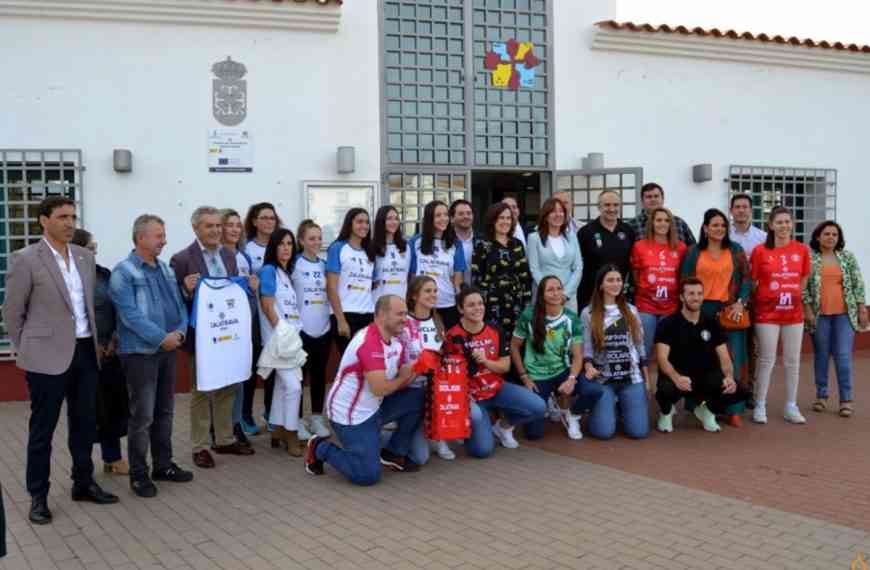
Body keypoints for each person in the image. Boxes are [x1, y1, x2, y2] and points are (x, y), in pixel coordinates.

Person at [3, 196, 119, 524]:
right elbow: (12, 311)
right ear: (44, 221)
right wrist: (27, 348)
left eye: (73, 217)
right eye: (62, 217)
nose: (69, 223)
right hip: (45, 357)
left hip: (85, 352)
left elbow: (88, 305)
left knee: (84, 423)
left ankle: (83, 483)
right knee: (43, 428)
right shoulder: (26, 259)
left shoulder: (84, 256)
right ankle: (38, 496)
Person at [110, 215, 194, 497]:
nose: (164, 241)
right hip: (140, 353)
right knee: (142, 415)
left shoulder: (166, 269)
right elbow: (130, 316)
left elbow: (179, 305)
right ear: (141, 238)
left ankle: (163, 465)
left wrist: (180, 332)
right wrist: (162, 338)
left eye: (163, 235)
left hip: (168, 349)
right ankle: (139, 474)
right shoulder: (123, 272)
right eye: (159, 236)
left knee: (165, 411)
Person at [304, 295, 424, 485]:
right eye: (400, 314)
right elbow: (380, 388)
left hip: (374, 408)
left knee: (419, 396)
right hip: (350, 417)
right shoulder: (369, 342)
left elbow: (401, 380)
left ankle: (393, 452)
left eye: (405, 314)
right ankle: (319, 447)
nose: (405, 319)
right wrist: (404, 377)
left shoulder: (396, 340)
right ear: (382, 315)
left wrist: (421, 368)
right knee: (367, 475)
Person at [170, 206, 255, 469]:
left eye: (218, 225)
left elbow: (233, 293)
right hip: (201, 337)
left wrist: (250, 288)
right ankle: (200, 446)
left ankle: (224, 439)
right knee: (201, 390)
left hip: (228, 332)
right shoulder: (181, 259)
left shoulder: (230, 255)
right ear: (196, 228)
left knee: (228, 386)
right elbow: (173, 299)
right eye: (209, 226)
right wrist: (184, 289)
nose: (216, 230)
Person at [443, 287, 546, 457]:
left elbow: (505, 366)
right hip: (471, 397)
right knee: (482, 451)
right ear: (461, 309)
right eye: (471, 305)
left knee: (539, 407)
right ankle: (469, 428)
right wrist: (461, 395)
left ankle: (503, 427)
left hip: (496, 389)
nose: (477, 308)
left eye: (480, 303)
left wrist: (485, 361)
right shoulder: (452, 336)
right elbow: (447, 375)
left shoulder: (495, 330)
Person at [680, 209, 752, 426]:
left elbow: (747, 279)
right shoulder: (693, 252)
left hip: (729, 311)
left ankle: (734, 409)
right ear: (705, 228)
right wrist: (687, 308)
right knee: (700, 359)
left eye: (722, 225)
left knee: (733, 358)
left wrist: (740, 302)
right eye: (715, 225)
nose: (719, 229)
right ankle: (700, 405)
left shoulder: (735, 250)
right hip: (700, 310)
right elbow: (685, 281)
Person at [512, 276, 603, 441]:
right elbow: (514, 347)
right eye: (550, 290)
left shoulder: (571, 318)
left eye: (559, 288)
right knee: (534, 434)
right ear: (541, 295)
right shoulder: (529, 315)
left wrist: (571, 379)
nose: (556, 293)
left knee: (594, 390)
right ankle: (546, 401)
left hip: (562, 370)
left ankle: (572, 414)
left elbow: (578, 355)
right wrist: (524, 377)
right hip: (537, 375)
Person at [71, 229, 129, 476]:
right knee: (84, 412)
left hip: (110, 352)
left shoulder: (104, 274)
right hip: (82, 353)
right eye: (89, 248)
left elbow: (117, 307)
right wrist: (90, 343)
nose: (94, 252)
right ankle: (81, 467)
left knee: (112, 407)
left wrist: (115, 337)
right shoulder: (68, 278)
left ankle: (112, 458)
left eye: (94, 248)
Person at [654, 278, 747, 433]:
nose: (696, 298)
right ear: (682, 297)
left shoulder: (712, 323)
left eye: (699, 293)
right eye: (691, 294)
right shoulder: (667, 323)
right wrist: (676, 378)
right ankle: (666, 412)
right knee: (665, 389)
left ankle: (706, 411)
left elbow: (724, 357)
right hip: (677, 376)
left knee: (739, 390)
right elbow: (662, 359)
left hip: (704, 376)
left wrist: (729, 377)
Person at [750, 206, 811, 425]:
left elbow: (803, 279)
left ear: (792, 224)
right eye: (779, 222)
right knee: (767, 359)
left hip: (793, 314)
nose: (784, 226)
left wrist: (792, 294)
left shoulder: (802, 250)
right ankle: (760, 404)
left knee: (792, 361)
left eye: (787, 221)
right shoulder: (760, 251)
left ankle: (791, 406)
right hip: (767, 314)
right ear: (771, 225)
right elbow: (753, 281)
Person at [803, 221, 868, 418]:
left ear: (838, 238)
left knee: (843, 356)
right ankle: (821, 396)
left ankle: (846, 400)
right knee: (821, 356)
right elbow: (802, 287)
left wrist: (862, 308)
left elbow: (858, 283)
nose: (831, 237)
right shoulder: (810, 258)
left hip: (844, 315)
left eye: (834, 234)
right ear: (818, 237)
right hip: (819, 315)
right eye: (826, 234)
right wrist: (807, 309)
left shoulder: (847, 257)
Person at [580, 265, 650, 440]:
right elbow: (586, 347)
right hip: (603, 379)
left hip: (631, 378)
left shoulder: (631, 310)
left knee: (638, 432)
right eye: (610, 280)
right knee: (603, 433)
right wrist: (588, 365)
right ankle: (603, 409)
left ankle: (621, 408)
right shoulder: (588, 313)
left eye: (618, 280)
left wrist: (646, 378)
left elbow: (639, 345)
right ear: (601, 285)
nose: (616, 284)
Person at [258, 228, 307, 456]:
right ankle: (291, 434)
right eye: (281, 244)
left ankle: (277, 430)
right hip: (279, 339)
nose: (286, 248)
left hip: (290, 337)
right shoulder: (269, 270)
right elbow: (267, 305)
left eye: (289, 243)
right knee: (294, 386)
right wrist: (281, 330)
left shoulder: (285, 273)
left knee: (281, 386)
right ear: (273, 247)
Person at [399, 276, 454, 464]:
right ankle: (395, 432)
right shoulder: (404, 322)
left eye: (435, 291)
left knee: (472, 412)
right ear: (414, 296)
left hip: (435, 388)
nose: (433, 295)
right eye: (428, 291)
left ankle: (440, 435)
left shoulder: (437, 320)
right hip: (410, 388)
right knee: (420, 458)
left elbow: (443, 354)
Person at [221, 209, 260, 442]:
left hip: (246, 323)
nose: (235, 229)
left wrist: (253, 288)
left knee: (242, 374)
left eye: (238, 225)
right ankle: (222, 427)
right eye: (230, 224)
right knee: (225, 379)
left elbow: (249, 291)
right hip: (225, 326)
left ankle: (236, 423)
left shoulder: (244, 256)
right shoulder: (216, 256)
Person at [292, 220, 333, 438]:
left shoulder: (324, 265)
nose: (316, 242)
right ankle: (297, 420)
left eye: (319, 238)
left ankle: (317, 418)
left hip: (323, 328)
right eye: (311, 238)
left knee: (319, 375)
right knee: (299, 377)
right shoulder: (294, 265)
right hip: (301, 330)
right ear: (301, 241)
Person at [630, 207, 687, 365]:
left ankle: (667, 380)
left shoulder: (680, 247)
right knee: (645, 348)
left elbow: (683, 275)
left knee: (668, 351)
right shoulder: (639, 246)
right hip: (646, 305)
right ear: (652, 223)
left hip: (671, 306)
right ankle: (644, 379)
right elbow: (635, 273)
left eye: (667, 220)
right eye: (659, 220)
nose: (663, 223)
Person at [472, 202, 531, 339]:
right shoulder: (482, 244)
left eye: (508, 218)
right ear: (493, 220)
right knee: (494, 341)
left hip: (516, 303)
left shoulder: (517, 244)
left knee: (516, 342)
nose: (505, 221)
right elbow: (477, 278)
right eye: (501, 218)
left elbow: (524, 276)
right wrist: (480, 304)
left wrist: (527, 303)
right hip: (491, 304)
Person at [409, 201, 467, 330]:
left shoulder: (455, 244)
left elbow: (458, 280)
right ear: (430, 219)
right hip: (422, 305)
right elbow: (412, 276)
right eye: (438, 215)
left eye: (445, 215)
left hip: (447, 304)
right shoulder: (415, 241)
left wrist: (461, 304)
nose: (443, 219)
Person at [326, 208, 375, 355]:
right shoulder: (338, 247)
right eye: (359, 222)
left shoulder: (369, 251)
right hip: (346, 314)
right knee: (350, 362)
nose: (364, 226)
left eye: (366, 222)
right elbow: (331, 287)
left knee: (367, 362)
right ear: (350, 224)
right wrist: (341, 320)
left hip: (368, 314)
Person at [577, 190, 636, 311]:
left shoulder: (628, 231)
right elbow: (577, 264)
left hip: (618, 294)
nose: (612, 209)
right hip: (591, 294)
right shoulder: (586, 232)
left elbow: (633, 262)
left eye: (615, 205)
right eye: (607, 205)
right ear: (599, 207)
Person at [526, 197, 583, 312]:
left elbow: (578, 267)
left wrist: (565, 293)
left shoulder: (571, 237)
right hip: (544, 296)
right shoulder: (534, 238)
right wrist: (550, 291)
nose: (558, 214)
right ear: (545, 215)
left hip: (568, 297)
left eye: (561, 211)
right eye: (553, 211)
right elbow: (534, 269)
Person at [627, 183, 696, 246]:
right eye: (649, 197)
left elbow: (693, 249)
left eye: (656, 196)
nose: (653, 199)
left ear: (662, 199)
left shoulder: (679, 223)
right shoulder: (632, 225)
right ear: (642, 201)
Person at [371, 205, 411, 301]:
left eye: (396, 218)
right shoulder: (372, 247)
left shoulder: (406, 247)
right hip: (379, 301)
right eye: (389, 219)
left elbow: (407, 276)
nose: (394, 222)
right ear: (381, 221)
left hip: (401, 300)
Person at [243, 202, 282, 273]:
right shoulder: (246, 248)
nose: (269, 222)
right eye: (264, 218)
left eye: (272, 218)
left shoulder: (283, 245)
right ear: (254, 222)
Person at [728, 193, 766, 258]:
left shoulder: (763, 237)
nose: (741, 210)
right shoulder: (724, 236)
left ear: (750, 210)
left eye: (745, 207)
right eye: (737, 207)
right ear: (731, 210)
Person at [449, 199, 475, 286]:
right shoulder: (445, 242)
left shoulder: (482, 242)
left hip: (476, 291)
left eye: (469, 213)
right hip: (451, 290)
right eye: (461, 214)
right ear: (452, 219)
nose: (466, 216)